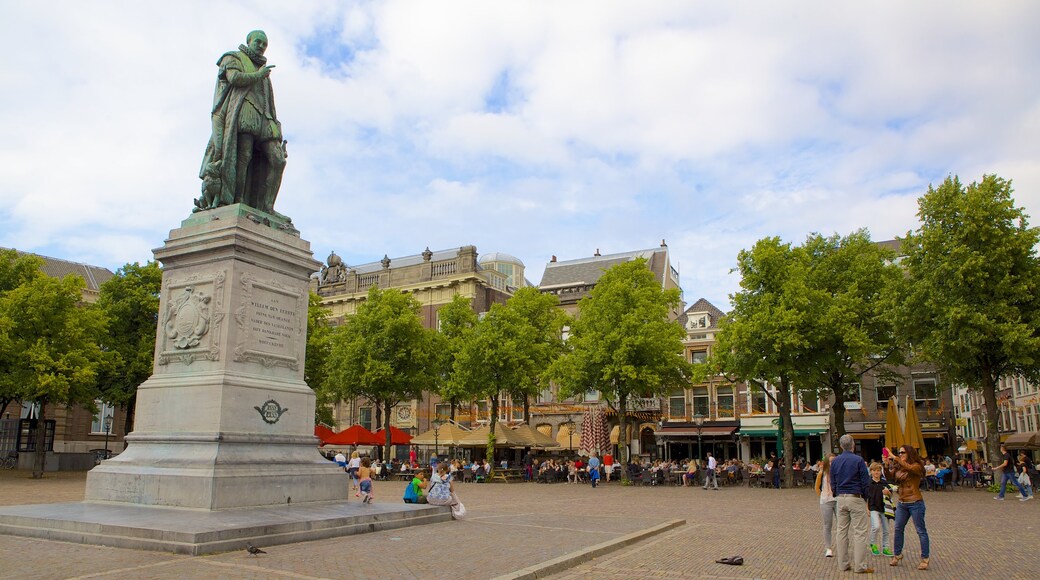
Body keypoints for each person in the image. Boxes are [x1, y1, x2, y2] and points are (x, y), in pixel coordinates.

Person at [198, 30, 286, 214]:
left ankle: (267, 206)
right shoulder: (233, 58)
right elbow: (235, 79)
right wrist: (258, 75)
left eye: (264, 44)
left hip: (264, 118)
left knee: (277, 160)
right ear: (249, 41)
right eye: (258, 42)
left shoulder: (264, 71)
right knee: (244, 155)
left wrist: (274, 124)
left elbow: (268, 100)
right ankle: (237, 200)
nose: (261, 46)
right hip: (243, 113)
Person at [830, 434, 873, 574]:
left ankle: (843, 564)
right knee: (859, 532)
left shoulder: (835, 461)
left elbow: (833, 481)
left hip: (841, 498)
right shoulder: (858, 460)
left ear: (841, 446)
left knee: (841, 531)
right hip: (856, 496)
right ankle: (860, 566)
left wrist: (836, 493)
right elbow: (865, 481)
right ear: (853, 445)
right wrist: (866, 498)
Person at [887, 444, 930, 570]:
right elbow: (890, 477)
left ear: (909, 453)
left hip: (915, 501)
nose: (900, 455)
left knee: (921, 530)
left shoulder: (916, 466)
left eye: (903, 453)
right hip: (902, 502)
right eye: (899, 453)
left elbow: (911, 468)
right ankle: (897, 554)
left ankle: (925, 557)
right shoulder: (899, 466)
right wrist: (886, 464)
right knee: (898, 528)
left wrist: (895, 458)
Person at [866, 462, 892, 557]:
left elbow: (891, 492)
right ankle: (873, 544)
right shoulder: (868, 483)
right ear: (871, 472)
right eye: (874, 471)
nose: (876, 472)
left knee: (886, 529)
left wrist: (888, 492)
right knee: (876, 526)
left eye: (878, 470)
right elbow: (866, 497)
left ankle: (886, 547)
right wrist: (867, 508)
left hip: (884, 508)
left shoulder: (884, 482)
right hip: (873, 507)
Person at [814, 453, 837, 558]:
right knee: (827, 525)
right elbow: (817, 487)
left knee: (842, 524)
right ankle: (828, 547)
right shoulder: (822, 473)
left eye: (834, 461)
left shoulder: (838, 472)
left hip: (837, 500)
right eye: (831, 461)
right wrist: (822, 496)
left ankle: (843, 545)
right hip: (826, 501)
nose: (832, 463)